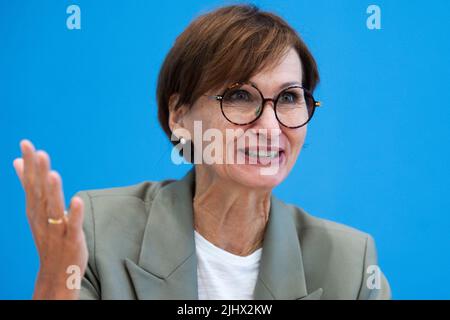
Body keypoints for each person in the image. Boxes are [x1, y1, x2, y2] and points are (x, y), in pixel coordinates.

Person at [13, 4, 391, 300]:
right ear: (179, 115)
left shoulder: (351, 262)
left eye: (290, 98)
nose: (271, 127)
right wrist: (54, 279)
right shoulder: (96, 230)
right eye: (241, 95)